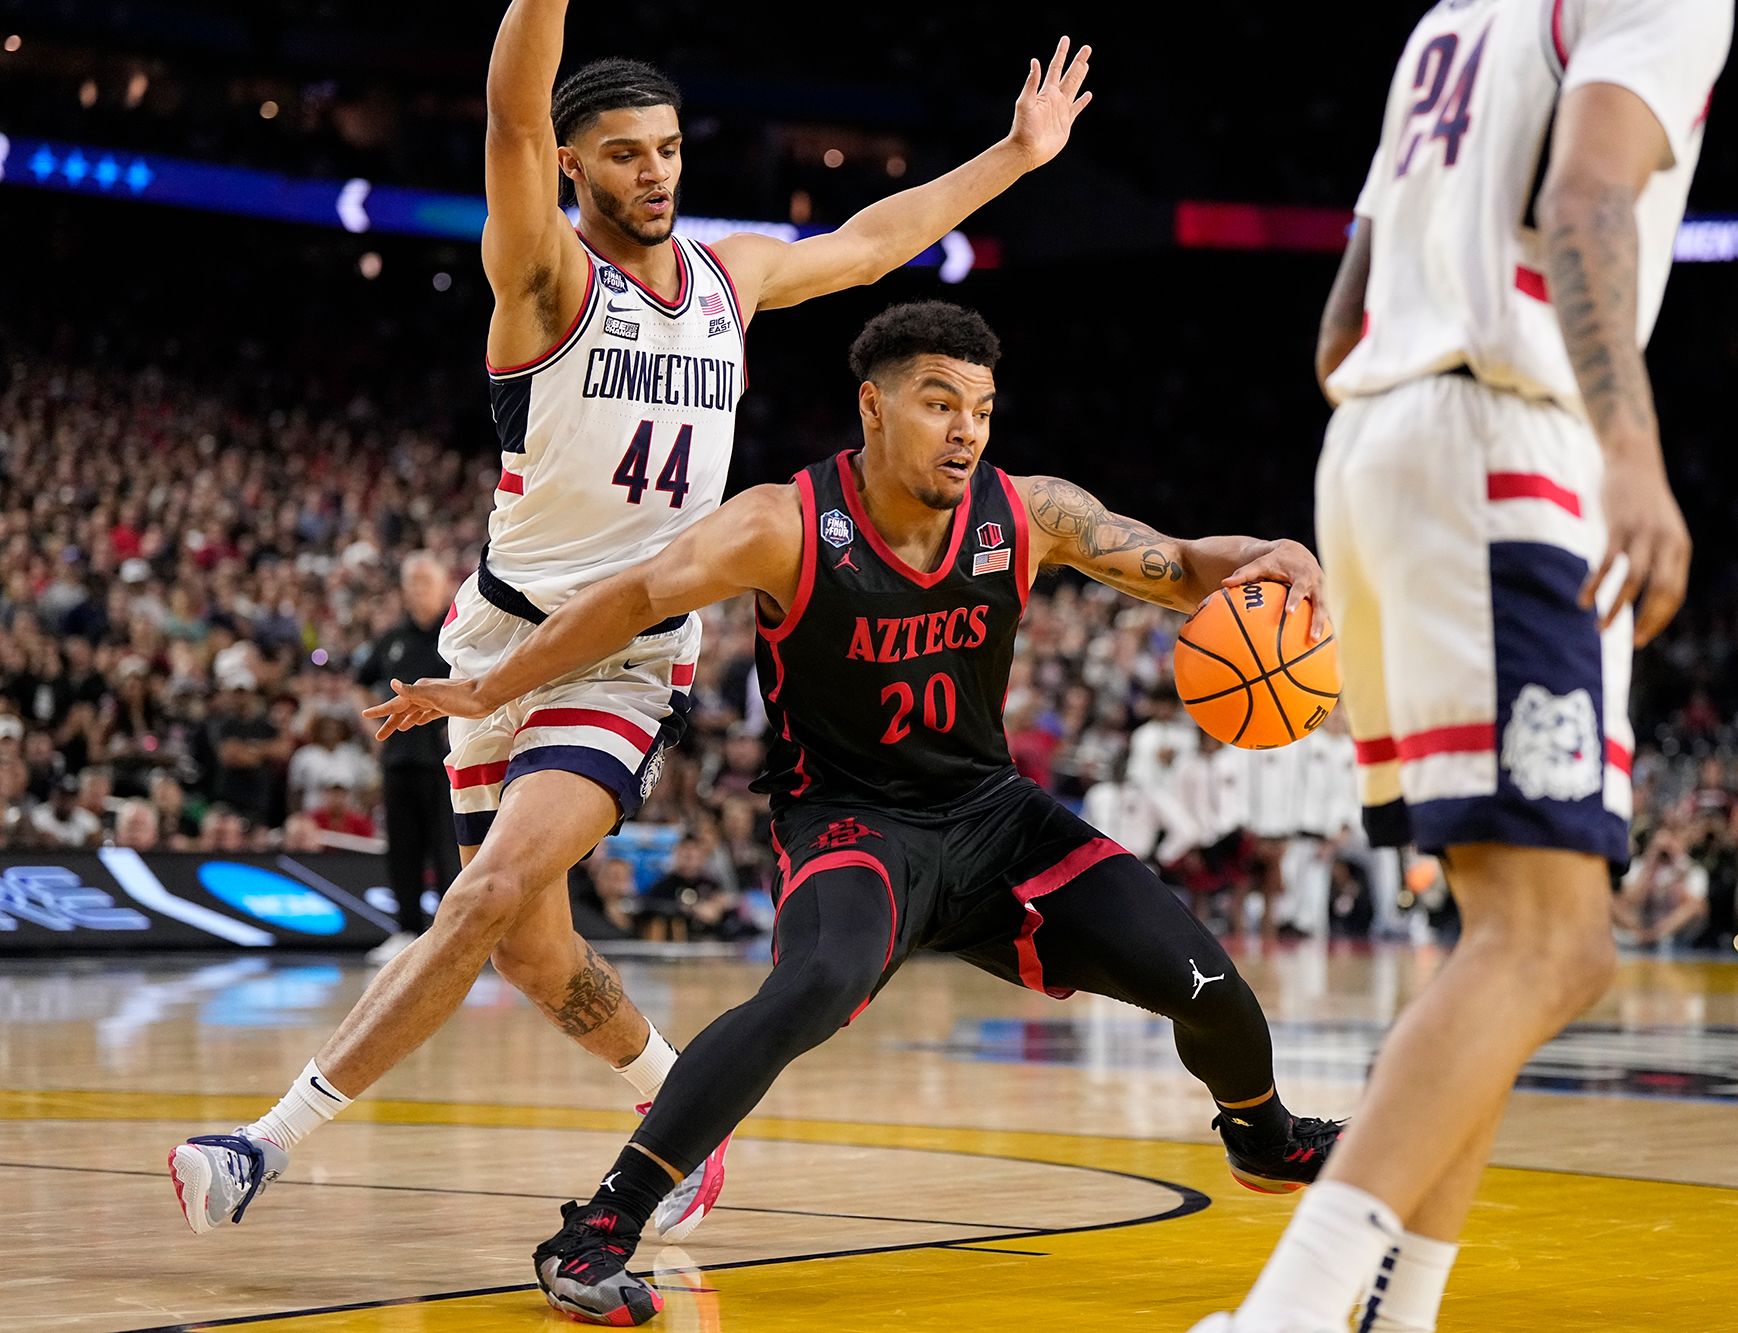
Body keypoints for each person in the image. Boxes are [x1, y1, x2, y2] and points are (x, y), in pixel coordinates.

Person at [167, 0, 1095, 1243]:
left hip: (628, 656)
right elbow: (507, 106)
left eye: (664, 148)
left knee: (487, 891)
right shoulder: (544, 277)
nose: (652, 172)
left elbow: (875, 242)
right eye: (621, 152)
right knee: (533, 954)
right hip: (496, 638)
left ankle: (260, 1144)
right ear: (572, 165)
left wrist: (1016, 156)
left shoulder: (729, 278)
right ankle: (678, 1112)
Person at [368, 303, 1346, 1326]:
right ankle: (600, 1227)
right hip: (846, 823)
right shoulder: (783, 523)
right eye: (937, 403)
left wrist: (1268, 552)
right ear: (873, 408)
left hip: (990, 815)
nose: (965, 429)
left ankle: (1263, 1137)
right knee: (816, 982)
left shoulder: (1030, 513)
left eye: (979, 407)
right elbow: (631, 596)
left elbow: (1186, 562)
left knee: (1208, 985)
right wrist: (489, 687)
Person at [1199, 2, 1734, 1329]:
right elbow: (1588, 192)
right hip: (1507, 438)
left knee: (1499, 938)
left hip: (1381, 442)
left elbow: (1340, 324)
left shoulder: (1454, 19)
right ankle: (1289, 1316)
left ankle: (1403, 1311)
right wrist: (1626, 443)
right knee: (1556, 944)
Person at [351, 551, 460, 963]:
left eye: (425, 582)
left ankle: (450, 935)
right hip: (398, 760)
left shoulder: (456, 634)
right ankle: (407, 931)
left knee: (447, 849)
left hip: (445, 762)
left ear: (443, 586)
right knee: (402, 851)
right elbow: (359, 684)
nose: (417, 590)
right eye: (411, 582)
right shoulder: (391, 640)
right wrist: (369, 729)